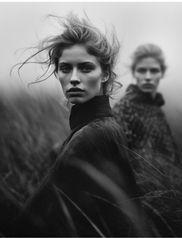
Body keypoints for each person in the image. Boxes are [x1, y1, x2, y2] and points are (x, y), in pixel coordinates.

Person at [7, 14, 153, 237]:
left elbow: (31, 224)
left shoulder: (95, 133)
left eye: (85, 68)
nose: (74, 78)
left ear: (104, 74)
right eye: (65, 68)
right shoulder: (100, 128)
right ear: (57, 73)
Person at [113, 43, 179, 191]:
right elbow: (118, 158)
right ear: (134, 73)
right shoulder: (124, 108)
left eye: (154, 70)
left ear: (162, 73)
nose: (148, 77)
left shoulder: (157, 109)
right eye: (142, 70)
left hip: (165, 189)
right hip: (139, 191)